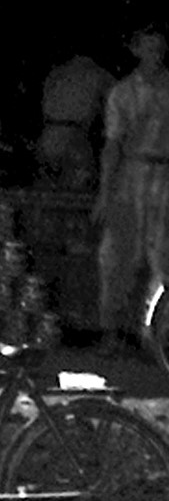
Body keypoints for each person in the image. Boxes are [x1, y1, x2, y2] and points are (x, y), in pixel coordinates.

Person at [101, 25, 169, 339]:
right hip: (131, 176)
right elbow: (113, 145)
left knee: (162, 255)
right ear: (136, 49)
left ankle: (154, 334)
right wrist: (105, 193)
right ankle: (112, 331)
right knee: (119, 255)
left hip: (164, 177)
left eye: (159, 48)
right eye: (147, 47)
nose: (153, 55)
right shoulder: (123, 93)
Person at [43, 46, 118, 195]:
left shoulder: (58, 72)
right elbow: (118, 101)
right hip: (72, 135)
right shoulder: (98, 74)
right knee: (78, 186)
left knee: (51, 187)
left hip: (49, 133)